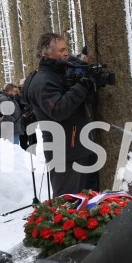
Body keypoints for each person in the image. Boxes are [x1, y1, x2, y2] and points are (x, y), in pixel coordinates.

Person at [24, 32, 99, 196]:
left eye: (66, 49)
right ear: (47, 53)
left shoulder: (63, 72)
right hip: (63, 155)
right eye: (61, 50)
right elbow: (58, 110)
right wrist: (81, 86)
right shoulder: (42, 81)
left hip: (82, 147)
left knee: (90, 202)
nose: (66, 53)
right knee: (68, 203)